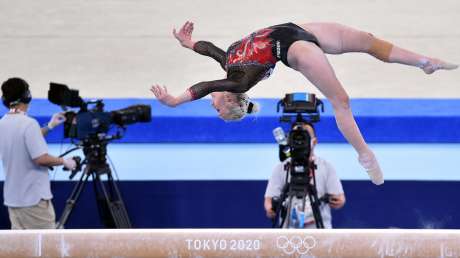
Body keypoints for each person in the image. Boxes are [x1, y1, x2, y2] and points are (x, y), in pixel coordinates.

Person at [150, 21, 458, 185]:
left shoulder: (229, 66)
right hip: (294, 47)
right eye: (215, 108)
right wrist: (176, 100)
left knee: (368, 40)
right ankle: (365, 156)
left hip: (300, 29)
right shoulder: (239, 82)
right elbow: (204, 87)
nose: (211, 103)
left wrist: (189, 43)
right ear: (230, 99)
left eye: (212, 107)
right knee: (341, 101)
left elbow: (213, 50)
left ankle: (423, 62)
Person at [0, 77, 77, 229]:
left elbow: (23, 139)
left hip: (13, 201)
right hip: (33, 201)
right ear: (27, 96)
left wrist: (50, 126)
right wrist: (65, 161)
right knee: (47, 249)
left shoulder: (3, 123)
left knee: (22, 249)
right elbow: (40, 159)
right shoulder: (29, 124)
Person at [264, 123, 345, 228]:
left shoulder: (326, 167)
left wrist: (334, 200)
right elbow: (269, 201)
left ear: (314, 142)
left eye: (304, 137)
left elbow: (340, 199)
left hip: (318, 228)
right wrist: (272, 209)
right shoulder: (281, 167)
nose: (300, 141)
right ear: (289, 141)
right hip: (288, 229)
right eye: (296, 137)